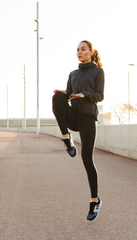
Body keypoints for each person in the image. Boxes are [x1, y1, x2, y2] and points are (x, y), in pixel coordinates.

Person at [52, 40, 104, 222]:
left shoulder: (98, 71)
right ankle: (67, 138)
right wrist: (64, 94)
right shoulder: (73, 74)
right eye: (77, 50)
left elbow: (100, 95)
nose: (79, 52)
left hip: (88, 118)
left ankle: (94, 200)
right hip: (74, 116)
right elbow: (68, 94)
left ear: (91, 52)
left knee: (87, 160)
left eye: (83, 49)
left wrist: (85, 95)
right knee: (57, 97)